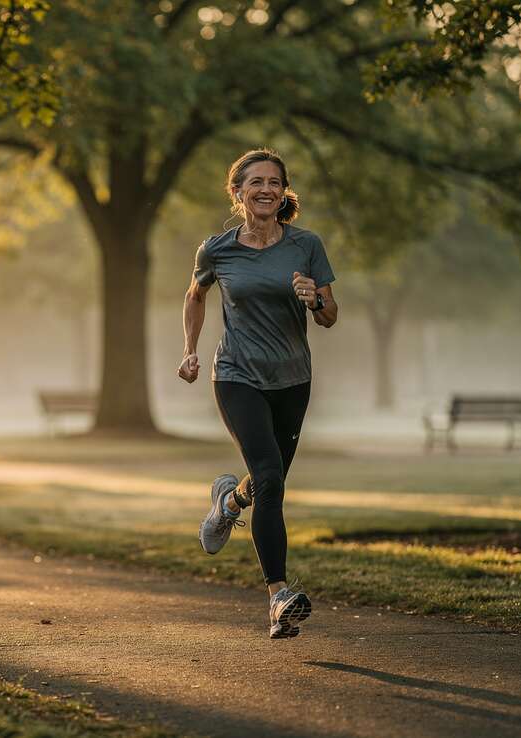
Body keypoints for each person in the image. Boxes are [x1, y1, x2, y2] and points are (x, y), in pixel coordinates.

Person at [177, 148, 338, 639]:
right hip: (236, 375)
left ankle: (228, 502)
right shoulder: (217, 249)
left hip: (293, 379)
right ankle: (279, 597)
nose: (265, 189)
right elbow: (194, 295)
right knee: (270, 476)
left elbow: (330, 315)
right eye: (256, 182)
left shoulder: (306, 245)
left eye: (274, 182)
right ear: (238, 192)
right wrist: (190, 349)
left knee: (269, 484)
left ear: (283, 191)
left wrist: (315, 300)